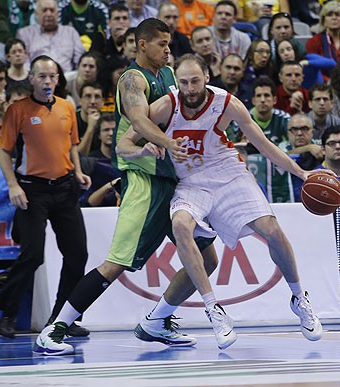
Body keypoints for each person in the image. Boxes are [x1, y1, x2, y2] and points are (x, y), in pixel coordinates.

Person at [33, 19, 219, 356]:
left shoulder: (169, 75)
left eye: (169, 43)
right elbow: (138, 119)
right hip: (144, 181)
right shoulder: (132, 79)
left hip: (172, 181)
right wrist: (168, 143)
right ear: (141, 44)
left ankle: (158, 321)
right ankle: (55, 328)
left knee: (206, 258)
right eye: (161, 44)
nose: (168, 49)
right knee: (116, 263)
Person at [117, 53, 325, 350]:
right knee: (180, 226)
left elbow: (263, 144)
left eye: (195, 81)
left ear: (207, 78)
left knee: (273, 231)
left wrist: (301, 171)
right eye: (184, 82)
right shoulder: (166, 106)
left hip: (228, 174)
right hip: (191, 183)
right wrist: (144, 150)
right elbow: (123, 145)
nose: (189, 88)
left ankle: (298, 298)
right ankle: (213, 308)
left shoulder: (226, 103)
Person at [0, 55, 92, 339]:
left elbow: (72, 145)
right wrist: (13, 186)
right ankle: (8, 314)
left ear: (58, 79)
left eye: (52, 76)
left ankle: (64, 317)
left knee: (77, 255)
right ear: (31, 80)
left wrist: (78, 171)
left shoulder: (67, 107)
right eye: (41, 76)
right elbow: (4, 152)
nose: (47, 81)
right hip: (32, 190)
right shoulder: (18, 110)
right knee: (32, 255)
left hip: (64, 188)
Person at [16, 0, 85, 73]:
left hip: (67, 78)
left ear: (58, 14)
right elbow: (24, 63)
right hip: (36, 79)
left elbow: (79, 60)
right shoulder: (25, 34)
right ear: (36, 14)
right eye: (44, 10)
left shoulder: (71, 33)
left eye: (52, 10)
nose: (49, 14)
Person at [305, 1, 340, 80]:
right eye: (329, 15)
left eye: (337, 15)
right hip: (324, 84)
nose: (334, 18)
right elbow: (313, 69)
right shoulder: (314, 41)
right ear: (323, 21)